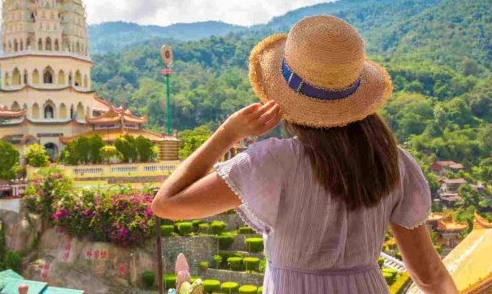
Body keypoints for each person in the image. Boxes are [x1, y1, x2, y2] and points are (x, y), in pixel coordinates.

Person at [152, 15, 458, 294]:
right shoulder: (393, 161)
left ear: (283, 94)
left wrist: (227, 134)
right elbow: (430, 275)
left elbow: (166, 204)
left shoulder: (273, 163)